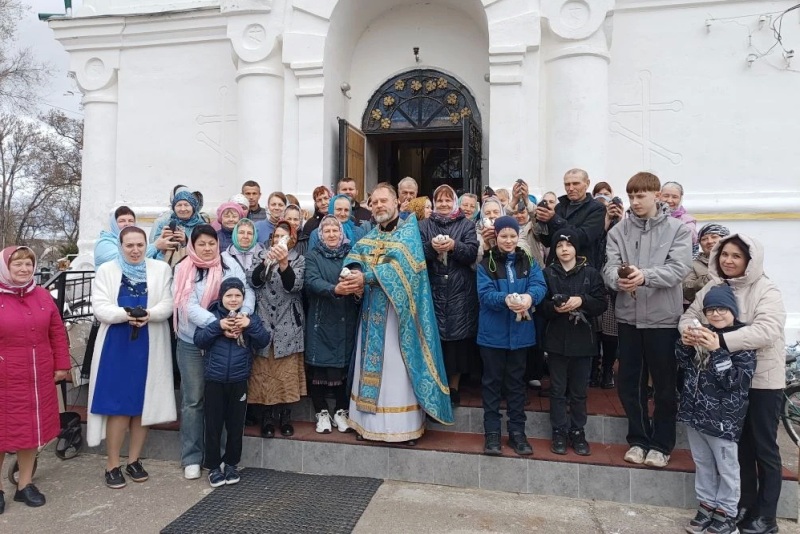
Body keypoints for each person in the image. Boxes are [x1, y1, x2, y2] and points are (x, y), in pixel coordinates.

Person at [679, 234, 786, 534]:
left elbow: (768, 329)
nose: (728, 260)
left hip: (762, 378)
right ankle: (741, 505)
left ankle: (767, 515)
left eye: (736, 256)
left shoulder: (767, 289)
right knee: (740, 446)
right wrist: (688, 333)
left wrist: (720, 341)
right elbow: (690, 315)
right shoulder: (714, 287)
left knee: (764, 446)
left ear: (750, 261)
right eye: (724, 254)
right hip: (722, 382)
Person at [342, 183, 454, 443]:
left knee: (397, 371)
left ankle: (403, 428)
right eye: (375, 202)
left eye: (384, 201)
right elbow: (353, 256)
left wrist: (367, 276)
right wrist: (352, 272)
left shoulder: (409, 233)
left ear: (396, 203)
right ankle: (366, 424)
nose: (379, 205)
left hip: (399, 317)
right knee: (370, 367)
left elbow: (399, 269)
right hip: (372, 314)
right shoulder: (370, 235)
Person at [603, 171, 693, 468]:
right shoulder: (619, 230)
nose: (635, 201)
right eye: (631, 196)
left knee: (665, 385)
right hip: (629, 318)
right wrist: (619, 279)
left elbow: (679, 269)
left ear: (657, 195)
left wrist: (645, 277)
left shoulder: (678, 229)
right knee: (630, 383)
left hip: (663, 320)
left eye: (640, 195)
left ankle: (662, 443)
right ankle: (638, 439)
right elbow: (609, 267)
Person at [88, 227, 176, 489]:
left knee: (142, 406)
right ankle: (112, 464)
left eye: (140, 245)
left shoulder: (160, 270)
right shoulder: (107, 271)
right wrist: (127, 314)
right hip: (117, 346)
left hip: (149, 344)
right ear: (120, 245)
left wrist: (149, 313)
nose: (135, 250)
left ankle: (134, 460)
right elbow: (101, 306)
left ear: (146, 244)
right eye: (129, 245)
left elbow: (168, 303)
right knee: (118, 407)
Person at [173, 225, 254, 480]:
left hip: (225, 342)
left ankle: (217, 457)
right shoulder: (184, 268)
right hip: (192, 341)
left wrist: (242, 316)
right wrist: (218, 324)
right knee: (193, 399)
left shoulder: (229, 264)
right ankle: (191, 457)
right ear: (192, 246)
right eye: (201, 244)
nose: (207, 249)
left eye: (211, 243)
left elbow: (247, 291)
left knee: (219, 400)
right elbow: (187, 304)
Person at [676, 285, 756, 534]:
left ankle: (727, 513)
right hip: (695, 413)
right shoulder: (704, 331)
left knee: (727, 467)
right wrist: (686, 344)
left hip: (724, 419)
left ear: (732, 310)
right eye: (710, 309)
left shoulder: (742, 339)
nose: (716, 314)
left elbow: (735, 381)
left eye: (722, 308)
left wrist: (717, 350)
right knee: (703, 463)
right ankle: (707, 506)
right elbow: (682, 364)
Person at [0, 246, 70, 510]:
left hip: (38, 375)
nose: (24, 269)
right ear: (6, 267)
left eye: (28, 264)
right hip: (5, 377)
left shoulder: (41, 295)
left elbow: (56, 331)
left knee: (30, 432)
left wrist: (62, 364)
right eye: (17, 264)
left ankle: (24, 485)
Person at [477, 216, 546, 456]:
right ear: (496, 237)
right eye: (503, 236)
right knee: (492, 384)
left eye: (512, 236)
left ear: (519, 237)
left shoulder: (528, 260)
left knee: (517, 386)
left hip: (520, 334)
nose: (508, 240)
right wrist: (505, 300)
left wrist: (530, 298)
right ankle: (492, 433)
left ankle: (518, 432)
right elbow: (484, 294)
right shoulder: (486, 263)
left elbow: (539, 285)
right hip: (492, 335)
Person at [193, 278, 270, 487]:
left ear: (243, 298)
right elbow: (199, 339)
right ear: (221, 297)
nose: (233, 299)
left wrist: (249, 325)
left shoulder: (249, 317)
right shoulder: (212, 315)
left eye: (237, 295)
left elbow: (264, 340)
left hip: (239, 379)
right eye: (229, 295)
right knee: (213, 424)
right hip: (214, 379)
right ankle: (213, 465)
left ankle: (231, 464)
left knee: (236, 425)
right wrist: (218, 327)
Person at [540, 229, 606, 456]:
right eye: (559, 245)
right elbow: (541, 306)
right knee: (557, 390)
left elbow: (602, 303)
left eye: (568, 245)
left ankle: (578, 431)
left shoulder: (591, 274)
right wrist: (554, 307)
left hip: (584, 340)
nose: (564, 249)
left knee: (579, 391)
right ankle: (559, 430)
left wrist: (582, 300)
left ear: (576, 248)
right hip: (557, 340)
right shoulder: (548, 273)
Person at [419, 184, 480, 405]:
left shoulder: (466, 224)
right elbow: (416, 253)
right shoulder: (424, 225)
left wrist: (454, 245)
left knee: (457, 343)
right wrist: (431, 248)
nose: (444, 204)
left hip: (460, 292)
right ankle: (436, 384)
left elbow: (472, 252)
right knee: (435, 340)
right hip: (433, 290)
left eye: (448, 200)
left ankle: (454, 387)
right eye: (440, 201)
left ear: (454, 202)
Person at [247, 221, 306, 439]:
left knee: (285, 374)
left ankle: (285, 417)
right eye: (275, 236)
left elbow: (294, 285)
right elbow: (253, 281)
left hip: (288, 323)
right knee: (264, 374)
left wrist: (283, 264)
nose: (278, 240)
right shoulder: (260, 256)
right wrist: (267, 262)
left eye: (283, 236)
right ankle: (267, 418)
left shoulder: (299, 259)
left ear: (291, 240)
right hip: (264, 321)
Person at [304, 216, 361, 434]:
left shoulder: (351, 255)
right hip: (321, 320)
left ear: (341, 233)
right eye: (326, 230)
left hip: (345, 318)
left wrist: (356, 286)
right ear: (320, 234)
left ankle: (340, 411)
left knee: (342, 368)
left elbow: (358, 276)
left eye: (335, 230)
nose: (331, 234)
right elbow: (311, 281)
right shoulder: (313, 256)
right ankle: (322, 413)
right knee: (319, 369)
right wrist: (333, 289)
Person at [535, 168, 607, 268]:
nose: (571, 188)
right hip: (556, 269)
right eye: (567, 184)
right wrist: (542, 222)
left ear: (587, 183)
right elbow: (548, 242)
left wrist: (554, 219)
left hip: (582, 269)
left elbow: (584, 237)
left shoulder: (597, 209)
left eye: (576, 183)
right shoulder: (559, 207)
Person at [150, 190, 207, 266]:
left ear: (193, 207)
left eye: (186, 205)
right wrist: (163, 239)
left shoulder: (202, 226)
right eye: (179, 205)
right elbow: (154, 247)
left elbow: (205, 248)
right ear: (174, 207)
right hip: (164, 264)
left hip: (191, 266)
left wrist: (186, 241)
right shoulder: (165, 222)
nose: (183, 209)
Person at [684, 223, 730, 304]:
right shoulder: (693, 264)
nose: (709, 241)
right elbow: (687, 291)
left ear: (725, 239)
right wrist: (710, 277)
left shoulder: (738, 260)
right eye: (704, 239)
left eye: (714, 237)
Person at [661, 181, 698, 251]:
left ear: (680, 199)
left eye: (675, 197)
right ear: (659, 196)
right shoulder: (651, 215)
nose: (669, 200)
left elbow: (690, 237)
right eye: (666, 196)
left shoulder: (687, 221)